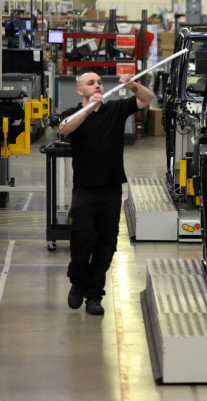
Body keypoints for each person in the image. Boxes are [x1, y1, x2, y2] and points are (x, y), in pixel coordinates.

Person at [59, 72, 154, 315]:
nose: (97, 85)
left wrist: (133, 86)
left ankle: (94, 296)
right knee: (82, 241)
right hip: (85, 190)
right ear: (80, 91)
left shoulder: (115, 109)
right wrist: (89, 109)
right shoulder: (73, 113)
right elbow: (65, 129)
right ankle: (77, 282)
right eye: (91, 83)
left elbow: (147, 99)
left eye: (99, 82)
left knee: (106, 246)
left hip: (111, 189)